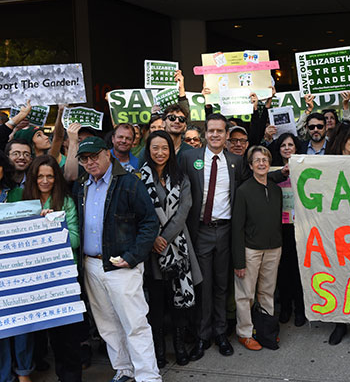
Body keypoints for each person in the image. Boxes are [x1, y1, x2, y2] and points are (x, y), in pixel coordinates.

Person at [74, 136, 161, 382]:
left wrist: (132, 257)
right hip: (92, 264)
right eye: (84, 159)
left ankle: (148, 377)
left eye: (94, 157)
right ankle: (124, 369)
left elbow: (149, 222)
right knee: (107, 324)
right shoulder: (81, 184)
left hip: (121, 264)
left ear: (107, 154)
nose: (90, 163)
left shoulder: (128, 183)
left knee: (135, 323)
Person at [180, 113, 244, 360]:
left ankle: (220, 333)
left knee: (221, 284)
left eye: (220, 131)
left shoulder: (236, 161)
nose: (215, 135)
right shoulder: (189, 158)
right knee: (203, 285)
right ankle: (202, 335)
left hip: (226, 230)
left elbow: (248, 187)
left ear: (227, 135)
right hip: (201, 230)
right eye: (211, 131)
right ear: (205, 134)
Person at [140, 131, 202, 368]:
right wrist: (153, 239)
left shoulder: (181, 176)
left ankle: (179, 346)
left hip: (178, 246)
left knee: (179, 300)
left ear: (171, 150)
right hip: (151, 249)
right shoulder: (138, 177)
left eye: (164, 148)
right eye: (155, 148)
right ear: (149, 149)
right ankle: (159, 351)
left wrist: (163, 238)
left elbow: (184, 210)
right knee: (156, 304)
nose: (160, 153)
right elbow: (141, 212)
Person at [21, 154, 82, 382]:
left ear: (56, 178)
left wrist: (54, 224)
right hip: (31, 279)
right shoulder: (21, 199)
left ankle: (70, 378)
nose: (45, 181)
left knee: (66, 336)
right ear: (32, 178)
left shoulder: (65, 201)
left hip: (62, 279)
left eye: (50, 176)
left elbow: (75, 240)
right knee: (37, 335)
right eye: (40, 176)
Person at [232, 146, 283, 350]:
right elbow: (237, 228)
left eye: (265, 160)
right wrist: (239, 261)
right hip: (250, 250)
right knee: (246, 294)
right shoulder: (243, 191)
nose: (261, 163)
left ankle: (266, 330)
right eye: (257, 160)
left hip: (273, 248)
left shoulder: (276, 189)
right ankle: (245, 332)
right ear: (251, 165)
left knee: (267, 292)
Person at [325, 121, 350, 348]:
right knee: (337, 275)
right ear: (342, 139)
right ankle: (339, 323)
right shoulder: (327, 164)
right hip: (333, 229)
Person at [0, 150, 33, 382]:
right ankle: (4, 375)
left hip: (17, 269)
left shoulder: (17, 194)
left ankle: (23, 371)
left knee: (21, 323)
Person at [270, 133, 306, 326]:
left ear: (296, 147)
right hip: (279, 226)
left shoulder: (305, 167)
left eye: (290, 144)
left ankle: (300, 309)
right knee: (282, 269)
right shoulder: (271, 169)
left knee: (299, 269)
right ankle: (285, 308)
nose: (286, 148)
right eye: (283, 145)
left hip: (300, 226)